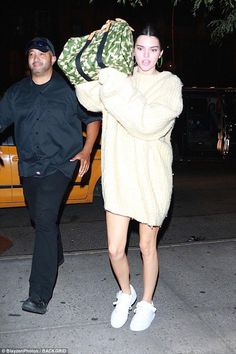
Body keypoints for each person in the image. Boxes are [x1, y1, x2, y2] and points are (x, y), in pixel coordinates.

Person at [75, 23, 183, 331]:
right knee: (114, 249)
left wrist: (114, 84)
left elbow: (147, 122)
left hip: (151, 179)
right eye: (139, 48)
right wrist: (91, 51)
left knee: (147, 247)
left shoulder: (168, 84)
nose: (145, 56)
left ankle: (147, 302)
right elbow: (86, 94)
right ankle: (126, 292)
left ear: (160, 54)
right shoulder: (118, 79)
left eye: (152, 50)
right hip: (119, 176)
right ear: (131, 50)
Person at [0, 37, 101, 314]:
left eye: (42, 54)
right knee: (40, 217)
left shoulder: (69, 91)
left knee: (43, 220)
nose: (36, 58)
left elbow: (93, 119)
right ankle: (55, 254)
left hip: (60, 164)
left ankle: (39, 294)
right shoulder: (16, 93)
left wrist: (86, 151)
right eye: (31, 53)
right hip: (29, 167)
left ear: (53, 59)